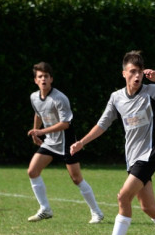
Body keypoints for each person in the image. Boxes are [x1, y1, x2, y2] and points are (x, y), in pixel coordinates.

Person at [70, 50, 155, 235]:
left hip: (149, 155)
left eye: (140, 72)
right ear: (124, 73)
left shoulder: (153, 91)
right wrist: (82, 142)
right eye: (132, 72)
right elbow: (102, 124)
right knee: (148, 206)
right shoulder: (116, 98)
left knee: (123, 196)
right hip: (133, 158)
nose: (137, 76)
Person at [26, 62, 104, 223]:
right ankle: (45, 209)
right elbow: (38, 114)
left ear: (51, 79)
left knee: (76, 178)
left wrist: (41, 132)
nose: (43, 80)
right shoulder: (34, 97)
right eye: (40, 77)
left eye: (46, 76)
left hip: (66, 141)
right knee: (32, 171)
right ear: (35, 80)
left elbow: (65, 124)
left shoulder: (59, 98)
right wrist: (35, 132)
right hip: (50, 141)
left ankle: (97, 212)